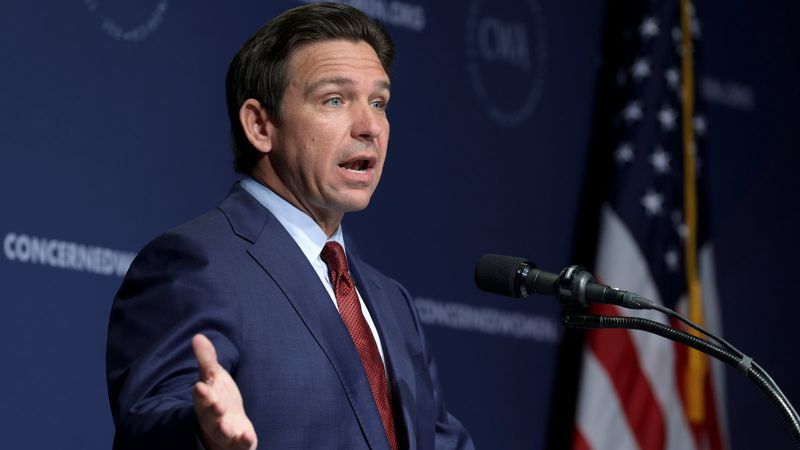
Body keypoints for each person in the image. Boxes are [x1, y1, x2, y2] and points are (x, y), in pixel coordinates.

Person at [106, 3, 474, 450]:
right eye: (334, 100)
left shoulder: (391, 301)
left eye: (379, 102)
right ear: (260, 126)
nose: (370, 127)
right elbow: (152, 420)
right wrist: (203, 432)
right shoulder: (195, 266)